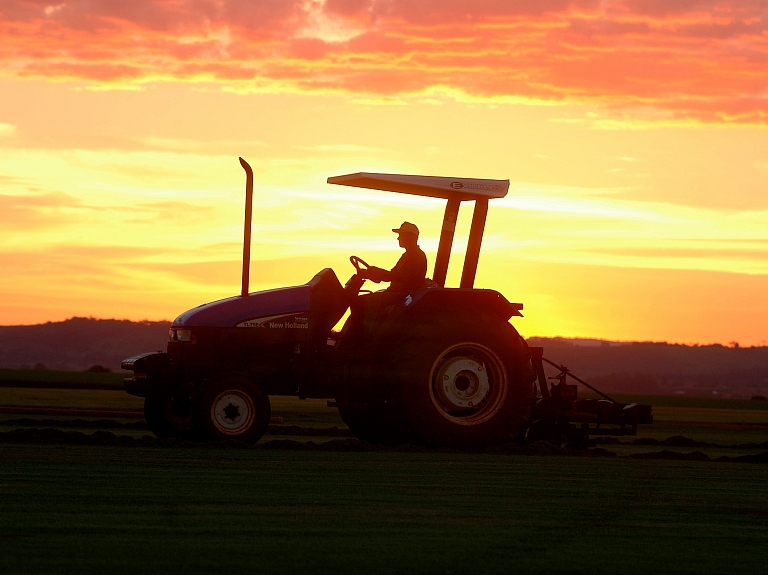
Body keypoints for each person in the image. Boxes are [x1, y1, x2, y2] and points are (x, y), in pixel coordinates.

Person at [362, 221, 428, 294]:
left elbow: (403, 278)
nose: (398, 238)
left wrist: (378, 272)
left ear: (410, 237)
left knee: (360, 301)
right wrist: (374, 273)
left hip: (401, 295)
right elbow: (392, 275)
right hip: (397, 293)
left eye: (401, 235)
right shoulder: (407, 255)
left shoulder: (416, 256)